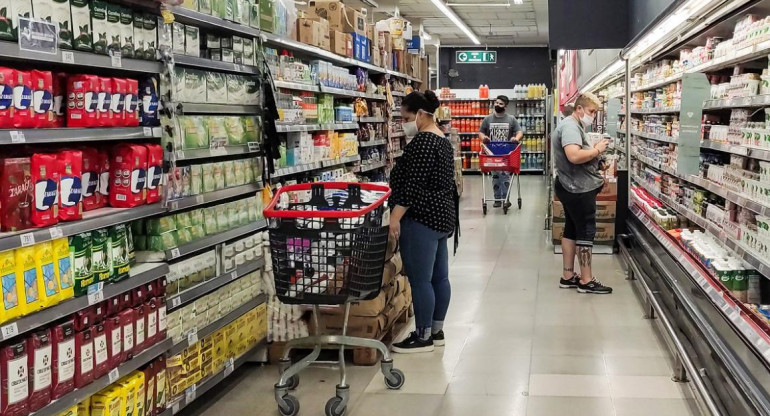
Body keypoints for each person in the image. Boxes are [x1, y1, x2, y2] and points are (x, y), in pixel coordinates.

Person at [389, 90, 457, 353]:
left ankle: (422, 335)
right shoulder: (441, 139)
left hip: (421, 219)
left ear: (419, 114)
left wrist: (395, 217)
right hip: (441, 216)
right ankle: (437, 330)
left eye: (405, 117)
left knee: (420, 280)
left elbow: (412, 187)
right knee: (440, 277)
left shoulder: (421, 143)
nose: (402, 123)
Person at [552, 92, 612, 294]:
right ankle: (586, 280)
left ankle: (568, 276)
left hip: (570, 185)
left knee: (571, 229)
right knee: (585, 231)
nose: (593, 116)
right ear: (579, 109)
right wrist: (597, 150)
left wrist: (596, 161)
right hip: (578, 188)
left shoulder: (574, 125)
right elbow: (574, 156)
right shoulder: (570, 127)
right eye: (591, 111)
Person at [479, 95, 523, 208]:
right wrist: (484, 138)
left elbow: (519, 132)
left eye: (501, 104)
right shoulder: (487, 119)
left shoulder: (511, 119)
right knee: (495, 177)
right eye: (497, 103)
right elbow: (481, 132)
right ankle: (497, 199)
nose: (497, 105)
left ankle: (506, 198)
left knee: (505, 176)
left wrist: (516, 138)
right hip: (491, 154)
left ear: (506, 106)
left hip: (506, 154)